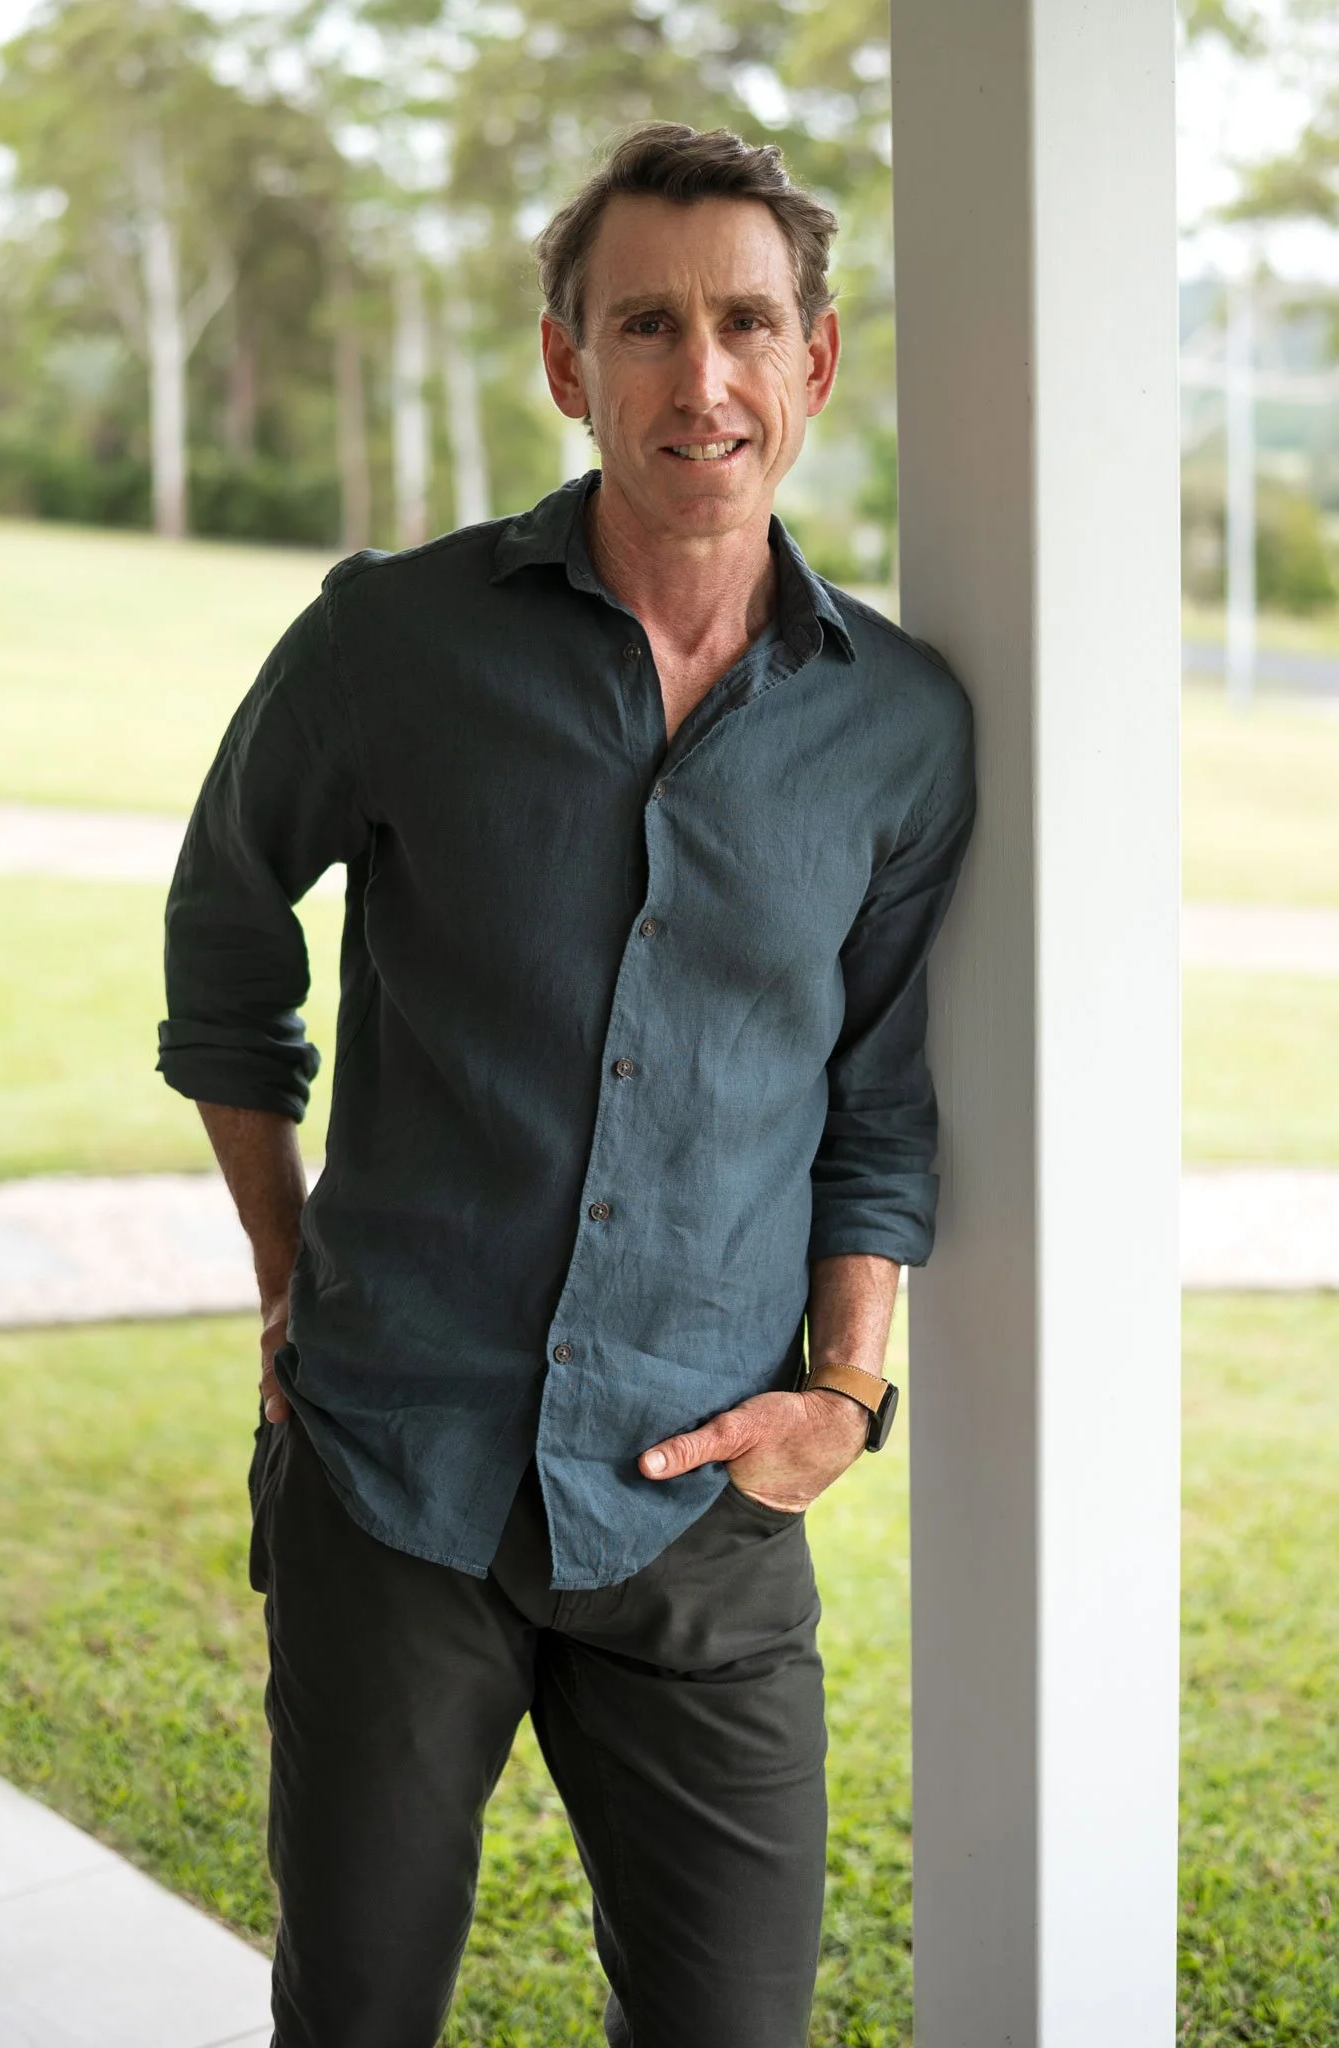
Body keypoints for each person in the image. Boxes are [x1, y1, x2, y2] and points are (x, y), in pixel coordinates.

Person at [158, 120, 974, 2048]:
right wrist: (286, 1270)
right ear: (564, 361)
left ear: (813, 360)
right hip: (393, 1479)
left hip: (705, 1519)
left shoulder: (899, 728)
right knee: (356, 2013)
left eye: (746, 324)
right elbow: (223, 932)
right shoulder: (393, 639)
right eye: (645, 324)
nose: (703, 379)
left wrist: (848, 1394)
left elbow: (876, 1098)